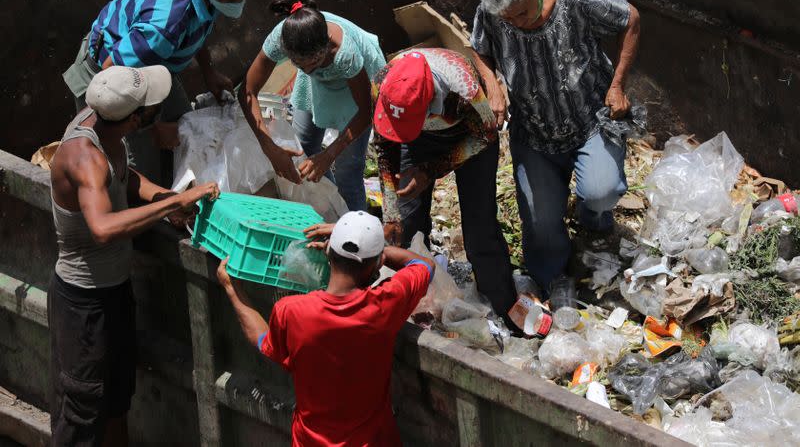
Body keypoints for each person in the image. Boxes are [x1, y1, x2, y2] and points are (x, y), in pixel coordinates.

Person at [49, 65, 220, 446]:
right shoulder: (85, 158)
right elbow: (104, 227)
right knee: (82, 409)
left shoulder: (106, 123)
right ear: (134, 119)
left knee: (116, 401)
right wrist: (172, 204)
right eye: (149, 108)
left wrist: (166, 198)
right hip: (84, 303)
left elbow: (125, 177)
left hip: (115, 290)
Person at [470, 0, 641, 302]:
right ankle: (552, 274)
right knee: (541, 223)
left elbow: (631, 19)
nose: (516, 24)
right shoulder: (494, 11)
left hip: (589, 121)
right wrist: (491, 82)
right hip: (534, 133)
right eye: (508, 19)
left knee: (602, 190)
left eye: (521, 14)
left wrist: (618, 84)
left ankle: (592, 217)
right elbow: (479, 47)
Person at [218, 211, 433, 446]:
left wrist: (231, 289)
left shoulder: (291, 311)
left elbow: (262, 340)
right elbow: (424, 264)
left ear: (329, 250)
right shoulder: (385, 304)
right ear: (378, 263)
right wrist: (379, 252)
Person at [63, 0, 255, 185]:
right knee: (137, 176)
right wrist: (152, 129)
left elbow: (199, 21)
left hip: (153, 65)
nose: (236, 5)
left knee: (190, 134)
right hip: (114, 80)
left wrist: (209, 72)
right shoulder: (163, 28)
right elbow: (111, 77)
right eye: (228, 0)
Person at [372, 49, 517, 325]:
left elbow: (485, 136)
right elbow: (384, 144)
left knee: (479, 229)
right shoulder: (382, 84)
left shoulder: (464, 90)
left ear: (431, 101)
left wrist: (429, 171)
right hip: (417, 139)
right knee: (405, 224)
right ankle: (416, 307)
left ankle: (502, 311)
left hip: (470, 137)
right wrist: (390, 211)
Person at [240, 0, 386, 210]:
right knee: (305, 147)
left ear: (327, 46)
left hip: (357, 82)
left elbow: (365, 111)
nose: (307, 69)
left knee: (348, 170)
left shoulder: (345, 53)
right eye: (299, 64)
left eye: (313, 62)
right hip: (320, 80)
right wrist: (270, 148)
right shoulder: (282, 39)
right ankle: (330, 209)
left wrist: (329, 154)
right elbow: (248, 91)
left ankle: (356, 231)